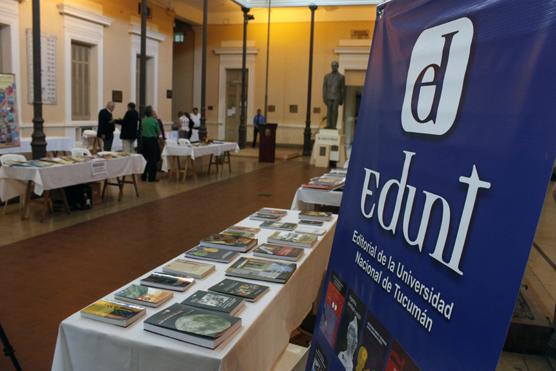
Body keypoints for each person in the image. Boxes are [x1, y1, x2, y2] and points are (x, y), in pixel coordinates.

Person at [140, 106, 161, 182]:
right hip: (152, 141)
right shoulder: (154, 121)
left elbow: (141, 130)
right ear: (151, 112)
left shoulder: (143, 120)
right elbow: (158, 132)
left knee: (145, 159)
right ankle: (152, 178)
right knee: (153, 160)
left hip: (144, 141)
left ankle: (143, 176)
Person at [323, 61, 346, 129]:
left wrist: (342, 99)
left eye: (335, 66)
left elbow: (342, 89)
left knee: (334, 111)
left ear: (337, 67)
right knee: (329, 111)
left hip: (336, 96)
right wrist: (324, 97)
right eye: (332, 66)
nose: (333, 67)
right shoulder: (327, 76)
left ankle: (333, 126)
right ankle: (328, 125)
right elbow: (324, 87)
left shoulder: (341, 77)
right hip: (328, 96)